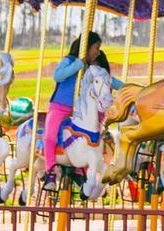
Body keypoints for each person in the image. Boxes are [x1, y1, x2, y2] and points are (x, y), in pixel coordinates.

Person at [42, 31, 125, 172]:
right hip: (60, 107)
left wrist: (128, 88)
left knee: (85, 139)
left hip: (78, 112)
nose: (98, 52)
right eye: (97, 48)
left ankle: (81, 170)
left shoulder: (90, 70)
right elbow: (58, 76)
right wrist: (77, 64)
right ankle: (50, 168)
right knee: (50, 135)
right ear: (87, 46)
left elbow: (110, 81)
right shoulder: (70, 61)